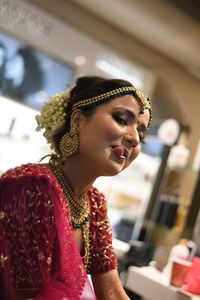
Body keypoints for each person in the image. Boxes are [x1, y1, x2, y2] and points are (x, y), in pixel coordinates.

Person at [0, 75, 152, 300]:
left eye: (141, 133)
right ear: (78, 120)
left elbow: (110, 289)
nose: (134, 139)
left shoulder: (94, 202)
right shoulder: (33, 186)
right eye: (121, 119)